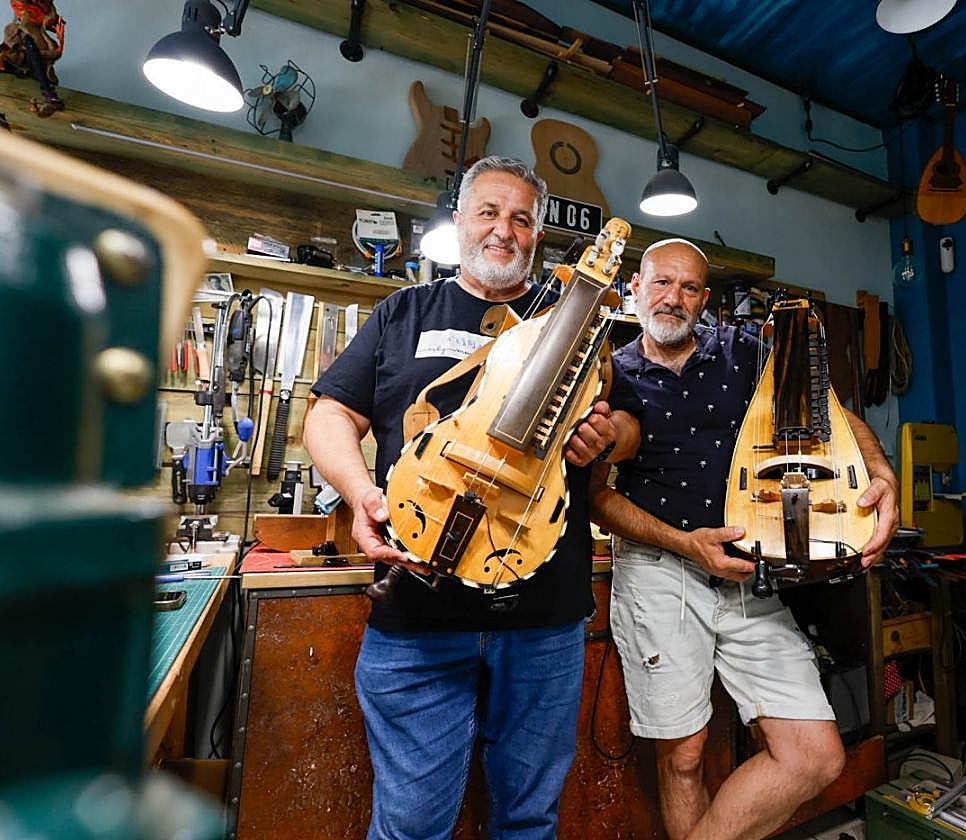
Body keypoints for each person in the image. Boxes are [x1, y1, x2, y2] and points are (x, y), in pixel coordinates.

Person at [304, 156, 638, 840]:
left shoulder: (576, 322)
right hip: (419, 616)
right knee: (411, 824)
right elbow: (329, 414)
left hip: (545, 620)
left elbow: (630, 427)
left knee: (528, 821)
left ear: (537, 237)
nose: (502, 230)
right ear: (457, 220)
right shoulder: (404, 312)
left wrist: (605, 435)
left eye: (520, 218)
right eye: (487, 211)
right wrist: (362, 492)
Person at [590, 238, 900, 840]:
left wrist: (883, 476)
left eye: (687, 287)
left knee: (815, 755)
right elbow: (596, 497)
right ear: (634, 288)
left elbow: (835, 414)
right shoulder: (613, 376)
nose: (672, 298)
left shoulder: (747, 353)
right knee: (682, 757)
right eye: (660, 283)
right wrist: (683, 543)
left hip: (750, 574)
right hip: (660, 570)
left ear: (705, 298)